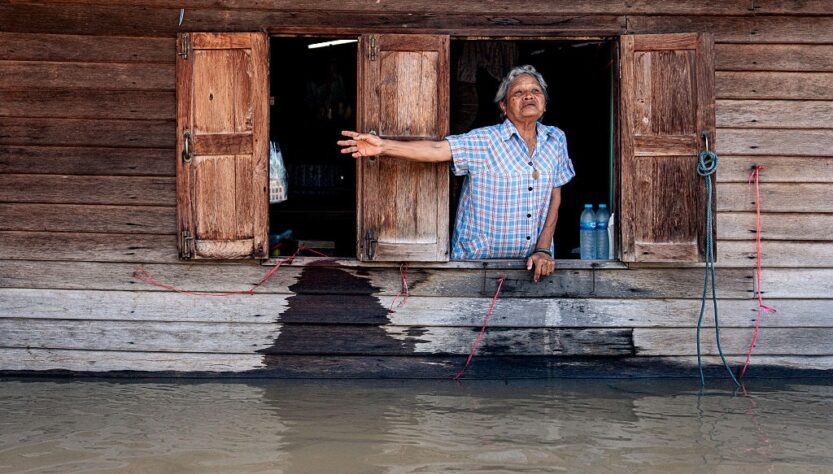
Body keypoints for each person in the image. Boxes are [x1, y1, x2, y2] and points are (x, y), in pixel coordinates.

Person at [338, 65, 574, 282]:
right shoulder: (485, 140)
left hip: (533, 267)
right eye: (518, 93)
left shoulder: (555, 139)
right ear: (503, 105)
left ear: (545, 102)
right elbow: (436, 149)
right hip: (477, 266)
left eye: (535, 91)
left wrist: (543, 249)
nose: (529, 96)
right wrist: (383, 146)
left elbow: (555, 195)